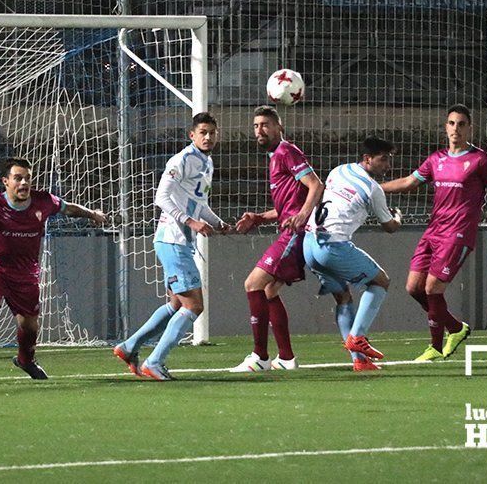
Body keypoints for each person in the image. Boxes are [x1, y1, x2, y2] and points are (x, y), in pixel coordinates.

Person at [0, 156, 106, 384]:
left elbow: (69, 209)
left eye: (27, 178)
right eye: (18, 178)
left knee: (29, 326)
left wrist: (92, 214)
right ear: (6, 181)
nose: (24, 183)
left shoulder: (44, 201)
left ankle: (26, 360)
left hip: (25, 274)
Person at [382, 104, 487, 361]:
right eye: (452, 123)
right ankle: (455, 328)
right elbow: (409, 182)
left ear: (470, 128)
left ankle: (435, 346)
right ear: (446, 127)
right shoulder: (436, 159)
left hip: (458, 234)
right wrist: (375, 188)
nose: (456, 128)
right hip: (434, 231)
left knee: (433, 288)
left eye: (462, 124)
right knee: (413, 288)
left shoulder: (480, 161)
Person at [113, 112, 230, 381]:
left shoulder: (206, 162)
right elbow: (161, 197)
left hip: (178, 241)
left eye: (212, 132)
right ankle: (154, 362)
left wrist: (217, 223)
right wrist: (191, 222)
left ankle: (129, 347)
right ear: (192, 135)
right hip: (173, 240)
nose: (208, 137)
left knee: (177, 304)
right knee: (194, 306)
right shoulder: (182, 160)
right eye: (203, 132)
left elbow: (199, 203)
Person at [232, 105, 324, 372]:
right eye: (256, 126)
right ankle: (285, 358)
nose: (260, 130)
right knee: (269, 290)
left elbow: (316, 185)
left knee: (253, 284)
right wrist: (260, 217)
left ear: (279, 127)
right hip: (292, 228)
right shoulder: (276, 156)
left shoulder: (286, 151)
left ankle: (260, 357)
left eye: (265, 125)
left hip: (296, 233)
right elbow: (287, 208)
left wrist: (302, 216)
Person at [303, 137, 402, 372]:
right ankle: (358, 337)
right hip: (333, 247)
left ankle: (359, 361)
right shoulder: (372, 188)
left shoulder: (339, 170)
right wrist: (398, 217)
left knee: (344, 298)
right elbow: (389, 227)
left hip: (309, 244)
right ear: (367, 159)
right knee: (380, 281)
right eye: (383, 159)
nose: (387, 165)